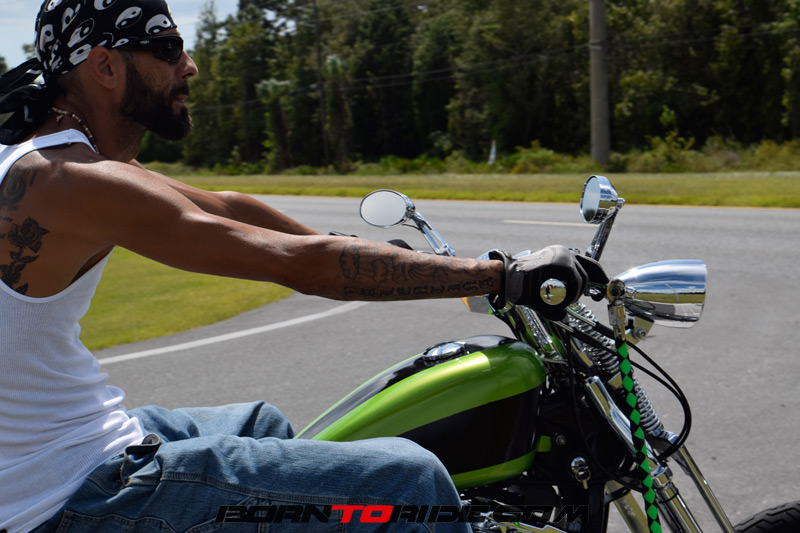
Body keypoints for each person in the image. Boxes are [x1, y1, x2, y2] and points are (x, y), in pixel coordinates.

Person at [0, 1, 596, 532]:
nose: (190, 65)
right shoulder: (72, 181)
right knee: (409, 483)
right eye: (168, 48)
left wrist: (351, 248)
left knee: (262, 424)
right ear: (105, 66)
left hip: (52, 451)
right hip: (63, 495)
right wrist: (502, 275)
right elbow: (298, 266)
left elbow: (224, 206)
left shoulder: (45, 155)